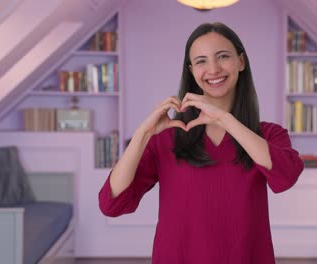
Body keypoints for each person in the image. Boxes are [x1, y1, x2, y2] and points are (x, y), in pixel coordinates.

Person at [99, 22, 304, 264]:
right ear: (191, 71)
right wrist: (143, 134)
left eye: (223, 56)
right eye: (201, 61)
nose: (213, 69)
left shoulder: (268, 135)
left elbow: (287, 175)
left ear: (241, 62)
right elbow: (112, 203)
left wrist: (225, 119)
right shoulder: (166, 139)